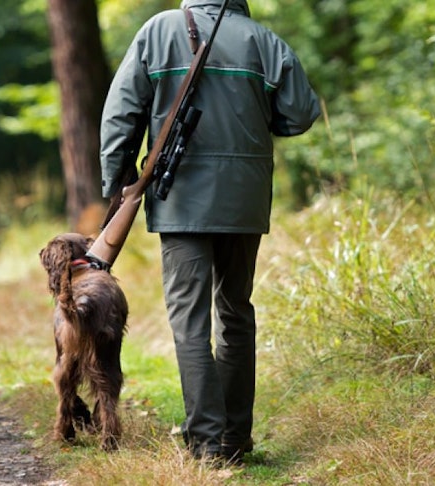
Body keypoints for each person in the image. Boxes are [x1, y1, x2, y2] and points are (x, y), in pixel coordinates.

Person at [98, 0, 320, 464]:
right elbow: (299, 114)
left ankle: (205, 443)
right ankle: (236, 437)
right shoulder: (265, 41)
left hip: (180, 199)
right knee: (235, 312)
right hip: (244, 199)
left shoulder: (158, 31)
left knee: (190, 322)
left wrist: (117, 180)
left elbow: (121, 113)